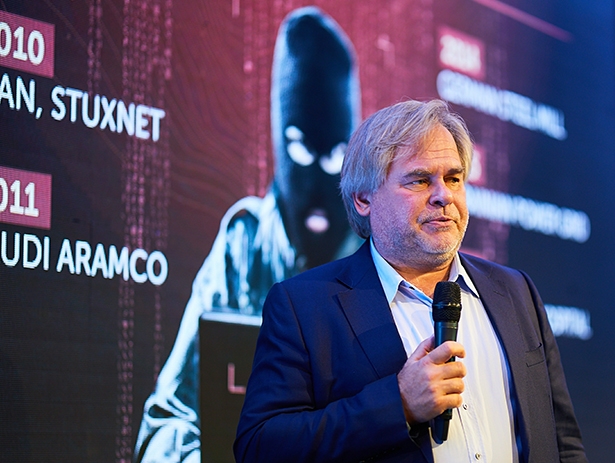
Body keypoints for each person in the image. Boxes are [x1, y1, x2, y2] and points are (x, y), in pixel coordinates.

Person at [234, 99, 588, 462]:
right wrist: (398, 404)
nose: (443, 196)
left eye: (453, 178)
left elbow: (562, 441)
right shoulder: (304, 306)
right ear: (363, 199)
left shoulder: (514, 291)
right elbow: (260, 446)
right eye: (420, 180)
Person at [135, 8, 361, 462]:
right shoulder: (244, 246)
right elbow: (166, 420)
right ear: (281, 144)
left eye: (337, 155)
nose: (318, 175)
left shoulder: (381, 262)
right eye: (301, 148)